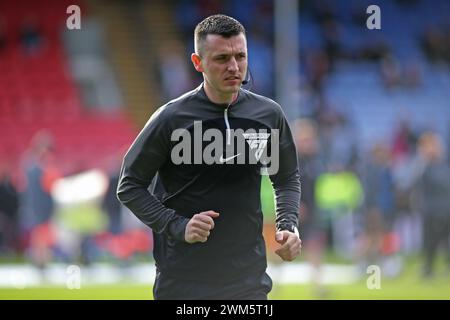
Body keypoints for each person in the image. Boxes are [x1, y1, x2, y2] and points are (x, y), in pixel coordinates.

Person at [117, 14, 302, 300]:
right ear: (197, 62)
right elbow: (129, 186)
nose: (234, 67)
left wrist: (287, 225)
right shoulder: (171, 119)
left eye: (241, 56)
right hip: (182, 280)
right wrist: (177, 224)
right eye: (222, 58)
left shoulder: (268, 116)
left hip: (247, 280)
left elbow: (287, 177)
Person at [415, 132, 450, 278]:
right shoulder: (423, 166)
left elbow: (443, 185)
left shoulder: (441, 166)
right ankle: (428, 269)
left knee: (444, 240)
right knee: (430, 242)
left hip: (442, 209)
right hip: (429, 210)